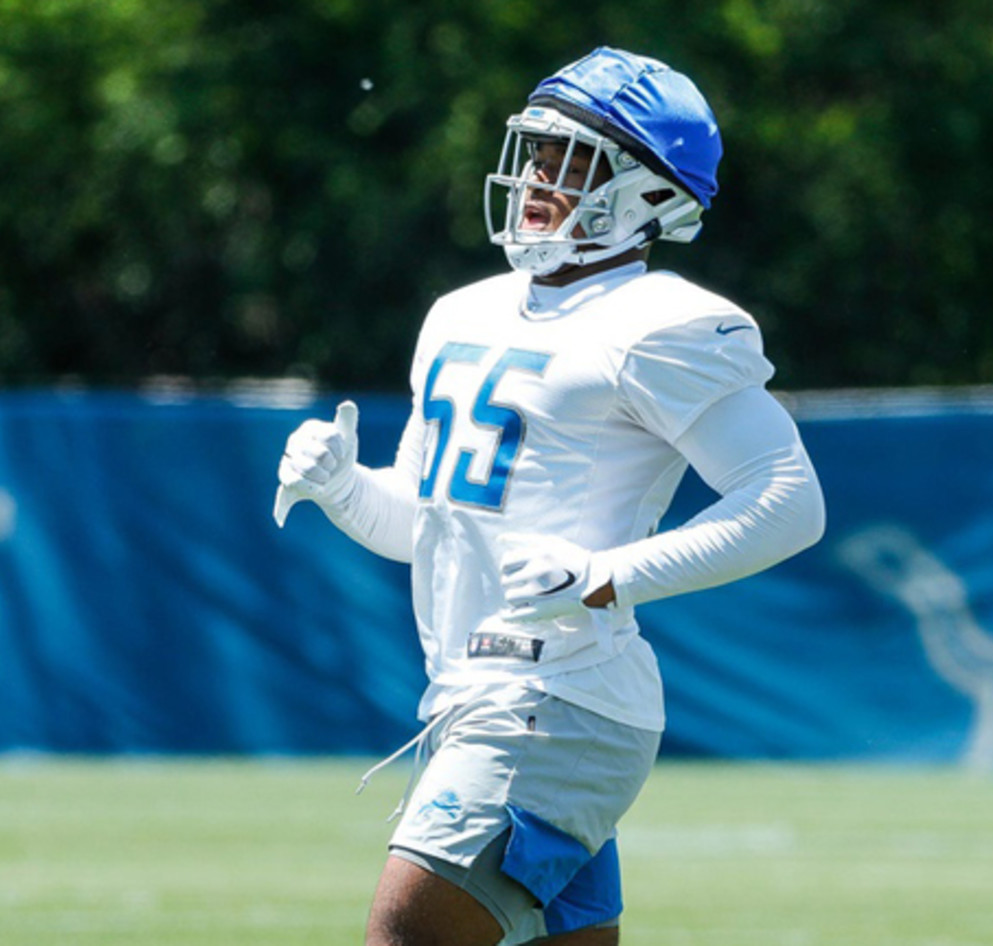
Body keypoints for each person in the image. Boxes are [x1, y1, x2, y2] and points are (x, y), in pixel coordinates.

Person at [274, 46, 825, 946]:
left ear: (647, 193)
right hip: (475, 693)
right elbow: (428, 527)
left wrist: (610, 574)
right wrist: (344, 490)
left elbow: (789, 501)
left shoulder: (665, 324)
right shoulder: (462, 311)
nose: (537, 178)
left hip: (556, 700)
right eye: (535, 153)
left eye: (572, 161)